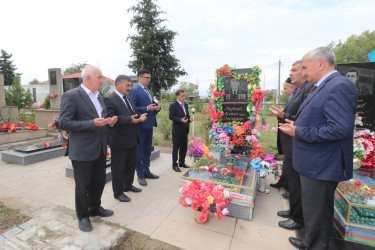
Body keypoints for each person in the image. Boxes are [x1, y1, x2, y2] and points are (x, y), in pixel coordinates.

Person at [280, 47, 357, 250]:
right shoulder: (321, 86)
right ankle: (311, 242)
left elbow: (339, 129)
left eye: (305, 67)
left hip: (321, 165)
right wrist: (297, 127)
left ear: (321, 63)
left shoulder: (339, 86)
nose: (304, 72)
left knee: (318, 214)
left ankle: (316, 245)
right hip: (313, 164)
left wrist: (299, 132)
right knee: (313, 212)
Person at [59, 65, 118, 232]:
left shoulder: (99, 97)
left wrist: (109, 121)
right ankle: (83, 215)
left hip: (99, 148)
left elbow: (101, 118)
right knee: (83, 185)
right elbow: (63, 123)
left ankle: (95, 208)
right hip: (82, 150)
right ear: (89, 78)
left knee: (98, 182)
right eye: (100, 77)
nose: (102, 80)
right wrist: (91, 123)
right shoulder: (71, 96)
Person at [270, 61, 314, 232]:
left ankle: (298, 218)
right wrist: (282, 115)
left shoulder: (308, 89)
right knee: (293, 183)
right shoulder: (298, 91)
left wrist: (284, 114)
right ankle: (293, 211)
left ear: (304, 71)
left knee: (297, 184)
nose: (291, 73)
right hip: (290, 145)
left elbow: (304, 118)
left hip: (297, 144)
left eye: (294, 70)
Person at [104, 75, 147, 202]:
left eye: (130, 85)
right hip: (119, 140)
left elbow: (132, 113)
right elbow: (112, 118)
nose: (130, 88)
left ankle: (127, 185)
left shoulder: (129, 98)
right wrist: (130, 120)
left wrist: (140, 116)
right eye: (127, 85)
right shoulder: (109, 99)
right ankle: (118, 192)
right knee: (118, 168)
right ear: (118, 84)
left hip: (132, 138)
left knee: (130, 165)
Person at [129, 69, 161, 187]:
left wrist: (157, 107)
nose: (148, 80)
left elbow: (152, 104)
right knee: (140, 151)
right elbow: (132, 108)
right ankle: (140, 174)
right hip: (140, 125)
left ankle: (147, 171)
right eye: (146, 77)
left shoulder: (148, 90)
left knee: (147, 150)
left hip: (149, 125)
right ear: (140, 78)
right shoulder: (135, 91)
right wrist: (146, 109)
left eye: (149, 78)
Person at [270, 77, 295, 190]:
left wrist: (283, 115)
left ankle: (288, 186)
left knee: (290, 163)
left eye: (285, 88)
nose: (284, 91)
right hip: (285, 134)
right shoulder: (291, 97)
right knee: (286, 161)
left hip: (291, 134)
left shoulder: (297, 97)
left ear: (292, 87)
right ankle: (283, 181)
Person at [169, 89, 194, 172]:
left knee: (184, 147)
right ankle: (174, 165)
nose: (184, 97)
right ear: (177, 96)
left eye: (184, 95)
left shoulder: (186, 105)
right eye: (182, 96)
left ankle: (181, 162)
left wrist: (189, 119)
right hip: (177, 130)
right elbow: (171, 116)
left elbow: (186, 115)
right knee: (176, 148)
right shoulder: (173, 105)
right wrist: (180, 120)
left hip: (185, 130)